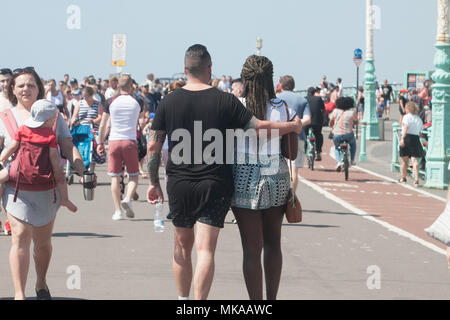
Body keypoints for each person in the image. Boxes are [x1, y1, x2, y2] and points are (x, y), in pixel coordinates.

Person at [146, 44, 302, 300]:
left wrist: (153, 182)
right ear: (210, 69)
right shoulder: (226, 101)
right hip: (225, 181)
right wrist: (292, 127)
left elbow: (153, 145)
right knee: (211, 250)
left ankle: (185, 302)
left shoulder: (169, 101)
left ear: (185, 69)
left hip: (190, 182)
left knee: (186, 248)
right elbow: (262, 130)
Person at [0, 67, 89, 300]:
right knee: (19, 236)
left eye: (31, 85)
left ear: (39, 88)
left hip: (46, 188)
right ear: (12, 89)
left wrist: (80, 166)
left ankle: (41, 283)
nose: (25, 89)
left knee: (42, 241)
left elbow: (67, 144)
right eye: (20, 85)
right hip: (15, 188)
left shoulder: (54, 116)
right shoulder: (5, 117)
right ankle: (19, 294)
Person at [232, 57, 303, 300]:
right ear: (271, 79)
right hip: (277, 174)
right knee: (273, 243)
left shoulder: (235, 105)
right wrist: (293, 127)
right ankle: (271, 299)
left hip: (242, 175)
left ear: (245, 79)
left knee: (251, 250)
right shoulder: (284, 108)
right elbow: (290, 152)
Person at [0, 99, 77, 213]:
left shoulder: (22, 130)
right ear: (48, 121)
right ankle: (65, 199)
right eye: (54, 119)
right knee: (61, 179)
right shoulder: (50, 135)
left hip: (18, 169)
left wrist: (2, 158)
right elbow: (53, 156)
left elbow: (12, 147)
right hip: (41, 170)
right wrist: (57, 170)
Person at [97, 75, 142, 221]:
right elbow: (141, 118)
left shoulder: (110, 101)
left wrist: (100, 142)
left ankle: (117, 211)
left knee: (115, 177)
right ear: (131, 86)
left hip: (114, 141)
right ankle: (128, 198)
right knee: (134, 175)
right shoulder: (137, 101)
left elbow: (103, 124)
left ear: (117, 86)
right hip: (130, 141)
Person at [277, 76, 311, 194]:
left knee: (275, 169)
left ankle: (279, 196)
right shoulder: (302, 100)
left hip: (278, 136)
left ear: (280, 85)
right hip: (297, 137)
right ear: (293, 86)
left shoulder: (276, 98)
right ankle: (290, 197)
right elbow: (307, 119)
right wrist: (295, 125)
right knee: (294, 170)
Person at [398, 102, 424, 187]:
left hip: (407, 138)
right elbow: (420, 131)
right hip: (415, 139)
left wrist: (402, 138)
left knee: (405, 160)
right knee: (415, 160)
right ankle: (416, 180)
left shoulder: (406, 117)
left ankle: (404, 178)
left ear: (408, 109)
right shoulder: (419, 119)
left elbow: (405, 127)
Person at [329, 97, 358, 171]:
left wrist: (331, 125)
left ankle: (339, 162)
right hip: (348, 134)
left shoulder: (335, 111)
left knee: (336, 147)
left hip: (337, 135)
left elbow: (331, 121)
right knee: (353, 144)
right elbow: (356, 121)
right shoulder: (352, 112)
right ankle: (352, 160)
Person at [305, 86, 325, 160]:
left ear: (307, 92)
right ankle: (318, 151)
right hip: (317, 121)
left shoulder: (304, 99)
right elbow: (323, 109)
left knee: (304, 135)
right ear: (314, 93)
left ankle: (305, 149)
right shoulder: (319, 98)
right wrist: (323, 119)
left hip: (307, 121)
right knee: (318, 135)